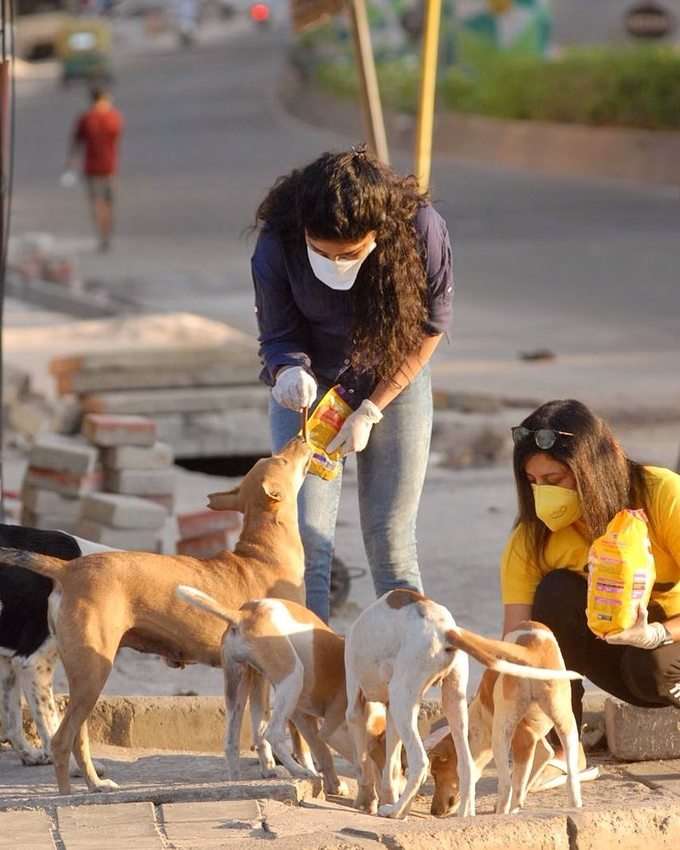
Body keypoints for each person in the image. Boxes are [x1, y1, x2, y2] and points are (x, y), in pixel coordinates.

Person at [251, 146, 454, 623]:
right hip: (311, 386)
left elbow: (429, 328)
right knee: (304, 535)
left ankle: (412, 652)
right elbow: (277, 333)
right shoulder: (276, 241)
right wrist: (287, 372)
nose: (333, 262)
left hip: (392, 377)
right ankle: (310, 671)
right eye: (320, 252)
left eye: (348, 253)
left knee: (390, 533)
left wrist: (372, 408)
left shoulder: (420, 228)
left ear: (378, 233)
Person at [501, 398, 680, 788]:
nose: (542, 494)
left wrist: (658, 633)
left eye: (554, 480)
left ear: (592, 467)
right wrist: (489, 711)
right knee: (554, 596)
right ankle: (565, 750)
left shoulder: (659, 492)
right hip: (612, 653)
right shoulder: (531, 539)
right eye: (533, 483)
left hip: (668, 652)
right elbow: (516, 644)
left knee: (653, 664)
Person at [66, 86, 124, 253]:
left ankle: (103, 236)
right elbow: (117, 138)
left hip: (92, 168)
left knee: (97, 204)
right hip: (109, 167)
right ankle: (106, 235)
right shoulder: (113, 117)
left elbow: (76, 142)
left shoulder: (85, 119)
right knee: (107, 203)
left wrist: (71, 162)